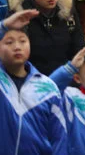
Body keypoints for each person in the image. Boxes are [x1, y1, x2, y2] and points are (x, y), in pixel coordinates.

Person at [0, 9, 68, 153]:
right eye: (9, 42)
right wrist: (4, 26)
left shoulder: (48, 88)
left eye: (22, 41)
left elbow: (59, 139)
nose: (17, 47)